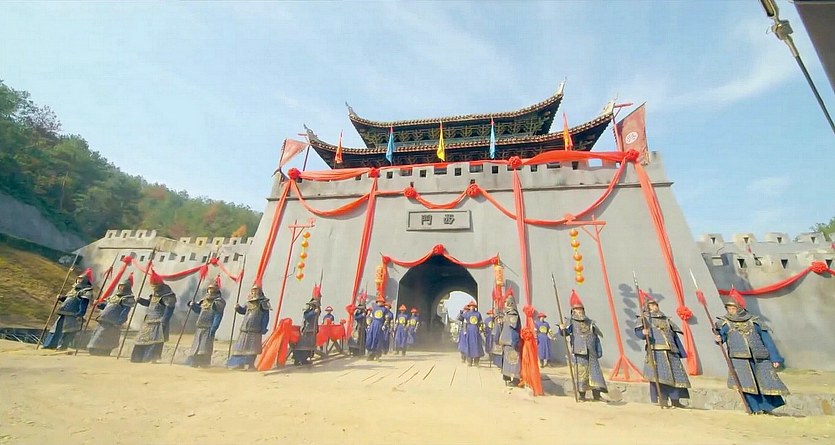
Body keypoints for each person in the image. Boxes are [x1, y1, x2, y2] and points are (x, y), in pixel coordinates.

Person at [714, 289, 789, 415]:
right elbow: (722, 336)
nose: (730, 311)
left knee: (765, 382)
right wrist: (719, 338)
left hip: (760, 358)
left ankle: (767, 408)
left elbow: (767, 341)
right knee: (747, 385)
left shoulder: (754, 322)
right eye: (729, 308)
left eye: (733, 308)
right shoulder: (725, 323)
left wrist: (775, 358)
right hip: (739, 359)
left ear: (739, 308)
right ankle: (754, 409)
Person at [634, 295, 691, 408]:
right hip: (657, 350)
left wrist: (678, 350)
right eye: (652, 305)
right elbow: (638, 332)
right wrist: (643, 333)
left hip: (671, 351)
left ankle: (675, 400)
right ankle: (663, 400)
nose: (655, 306)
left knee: (676, 376)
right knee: (661, 377)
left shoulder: (666, 319)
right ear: (647, 307)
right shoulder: (644, 319)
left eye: (655, 305)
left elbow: (673, 335)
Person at [557, 290, 608, 401]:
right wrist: (562, 329)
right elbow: (565, 333)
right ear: (573, 310)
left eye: (580, 309)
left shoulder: (590, 322)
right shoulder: (570, 322)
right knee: (582, 374)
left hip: (591, 352)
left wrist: (598, 350)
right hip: (580, 351)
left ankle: (597, 395)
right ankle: (582, 395)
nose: (579, 311)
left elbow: (596, 337)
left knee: (595, 373)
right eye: (577, 309)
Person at [43, 269, 94, 350]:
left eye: (81, 279)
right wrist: (61, 297)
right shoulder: (73, 289)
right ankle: (50, 344)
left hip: (73, 314)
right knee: (56, 329)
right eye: (78, 279)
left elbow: (84, 303)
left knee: (68, 330)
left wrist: (81, 313)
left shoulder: (86, 291)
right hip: (64, 312)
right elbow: (68, 299)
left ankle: (62, 346)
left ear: (85, 280)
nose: (79, 280)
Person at [131, 274, 177, 363]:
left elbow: (170, 308)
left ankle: (151, 358)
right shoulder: (154, 295)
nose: (154, 288)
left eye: (156, 286)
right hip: (148, 321)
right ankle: (138, 358)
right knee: (141, 340)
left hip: (158, 322)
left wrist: (164, 320)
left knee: (154, 341)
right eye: (153, 286)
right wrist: (141, 300)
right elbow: (150, 304)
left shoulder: (168, 296)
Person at [87, 276, 135, 356]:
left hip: (113, 322)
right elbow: (106, 306)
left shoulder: (128, 298)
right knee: (97, 335)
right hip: (103, 319)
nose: (121, 288)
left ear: (127, 288)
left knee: (108, 338)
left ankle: (104, 351)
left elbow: (125, 312)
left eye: (123, 286)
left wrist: (119, 322)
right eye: (120, 286)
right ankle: (94, 349)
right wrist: (98, 304)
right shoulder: (113, 296)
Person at [227, 284, 271, 370]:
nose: (254, 292)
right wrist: (238, 308)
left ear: (260, 291)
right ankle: (239, 364)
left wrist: (263, 328)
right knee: (240, 348)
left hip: (255, 330)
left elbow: (266, 317)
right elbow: (243, 311)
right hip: (244, 329)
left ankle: (250, 365)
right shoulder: (248, 302)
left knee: (252, 349)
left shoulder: (263, 303)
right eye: (253, 290)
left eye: (256, 290)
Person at [185, 280, 226, 367]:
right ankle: (194, 362)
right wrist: (193, 305)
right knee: (197, 345)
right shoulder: (204, 300)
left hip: (209, 327)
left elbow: (218, 315)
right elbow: (199, 311)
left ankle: (204, 363)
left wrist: (214, 327)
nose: (210, 290)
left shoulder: (218, 302)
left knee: (205, 347)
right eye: (209, 288)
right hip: (200, 325)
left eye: (212, 289)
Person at [293, 285, 321, 365]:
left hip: (312, 330)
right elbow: (306, 316)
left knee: (310, 347)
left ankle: (304, 360)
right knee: (302, 346)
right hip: (306, 329)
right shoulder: (308, 307)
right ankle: (298, 360)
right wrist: (313, 312)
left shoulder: (318, 307)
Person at [498, 295, 521, 386]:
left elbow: (514, 329)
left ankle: (515, 380)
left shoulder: (512, 314)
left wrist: (515, 342)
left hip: (511, 342)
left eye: (505, 302)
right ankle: (507, 377)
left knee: (513, 361)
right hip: (507, 342)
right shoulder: (507, 314)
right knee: (507, 361)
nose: (504, 304)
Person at [457, 301, 484, 366]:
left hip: (476, 330)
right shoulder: (467, 314)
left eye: (473, 306)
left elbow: (481, 322)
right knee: (469, 346)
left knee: (477, 346)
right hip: (469, 330)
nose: (472, 307)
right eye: (471, 306)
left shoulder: (478, 314)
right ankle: (469, 361)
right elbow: (460, 318)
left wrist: (481, 329)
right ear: (469, 307)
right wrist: (461, 313)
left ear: (475, 307)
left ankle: (476, 361)